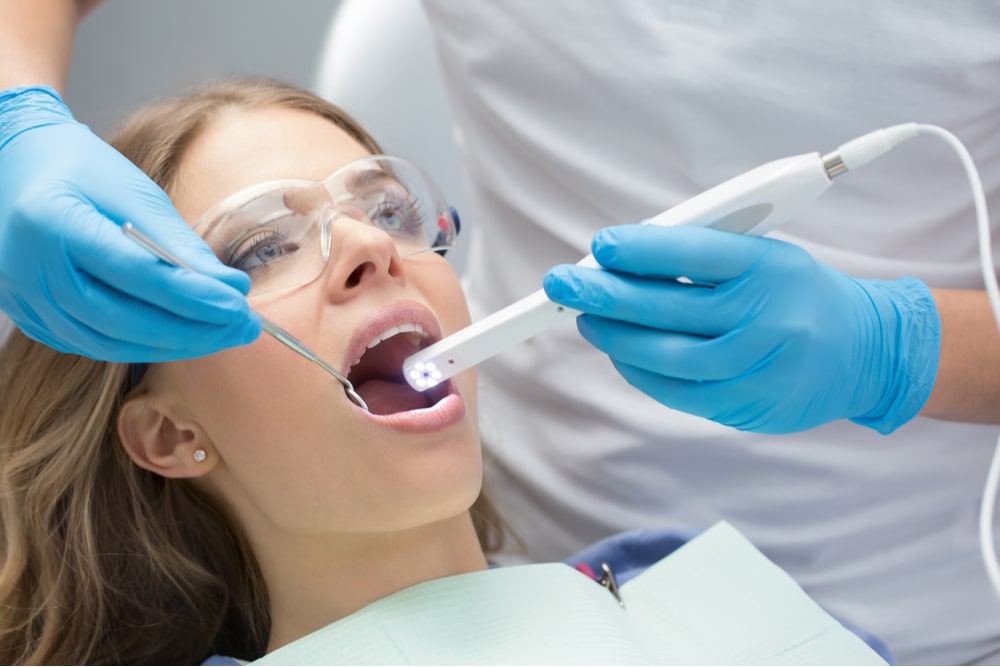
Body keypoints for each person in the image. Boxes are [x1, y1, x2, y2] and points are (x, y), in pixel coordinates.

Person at [0, 1, 997, 663]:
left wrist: (894, 346)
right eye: (264, 246)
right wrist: (11, 111)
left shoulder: (705, 599)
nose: (366, 245)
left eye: (388, 208)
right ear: (168, 433)